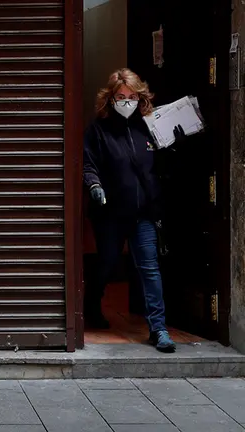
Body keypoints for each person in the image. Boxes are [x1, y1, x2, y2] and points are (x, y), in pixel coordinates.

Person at [82, 68, 182, 353]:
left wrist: (173, 148)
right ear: (110, 99)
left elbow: (162, 169)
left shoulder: (149, 128)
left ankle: (158, 329)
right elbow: (88, 164)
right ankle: (92, 307)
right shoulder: (98, 130)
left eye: (132, 96)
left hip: (144, 214)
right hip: (110, 214)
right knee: (107, 264)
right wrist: (94, 185)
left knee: (150, 269)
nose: (127, 101)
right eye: (120, 97)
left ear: (141, 98)